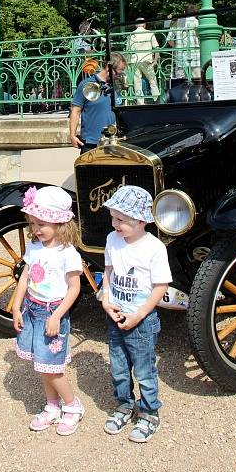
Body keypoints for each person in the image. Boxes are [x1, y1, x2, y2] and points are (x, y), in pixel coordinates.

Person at [101, 185, 172, 443]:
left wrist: (140, 314)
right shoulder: (112, 240)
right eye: (113, 217)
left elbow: (160, 286)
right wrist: (106, 299)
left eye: (121, 219)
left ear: (141, 220)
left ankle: (150, 411)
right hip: (116, 315)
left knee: (144, 370)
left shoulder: (154, 248)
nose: (115, 224)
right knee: (119, 367)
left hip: (141, 321)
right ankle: (124, 404)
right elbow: (108, 272)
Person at [12, 185, 84, 435]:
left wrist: (56, 315)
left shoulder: (68, 254)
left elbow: (74, 288)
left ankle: (72, 406)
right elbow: (25, 277)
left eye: (41, 224)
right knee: (41, 364)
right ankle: (52, 405)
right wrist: (17, 307)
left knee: (52, 367)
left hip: (52, 312)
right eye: (32, 223)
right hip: (32, 309)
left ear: (59, 223)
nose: (35, 229)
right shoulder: (34, 248)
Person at [69, 52, 127, 154]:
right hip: (91, 144)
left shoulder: (115, 86)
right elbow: (76, 111)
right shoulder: (86, 85)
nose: (119, 76)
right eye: (118, 72)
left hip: (112, 142)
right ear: (109, 68)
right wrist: (72, 135)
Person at [126, 18, 160, 104]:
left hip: (135, 61)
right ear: (144, 24)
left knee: (137, 82)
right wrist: (155, 60)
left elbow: (128, 51)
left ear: (136, 25)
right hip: (146, 59)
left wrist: (128, 63)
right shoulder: (150, 33)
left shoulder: (131, 34)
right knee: (152, 80)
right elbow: (156, 48)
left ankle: (140, 102)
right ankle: (156, 100)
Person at [166, 5, 200, 80]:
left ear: (184, 12)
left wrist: (176, 47)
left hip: (180, 57)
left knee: (181, 83)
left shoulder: (178, 23)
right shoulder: (199, 23)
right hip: (196, 57)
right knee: (197, 81)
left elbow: (169, 39)